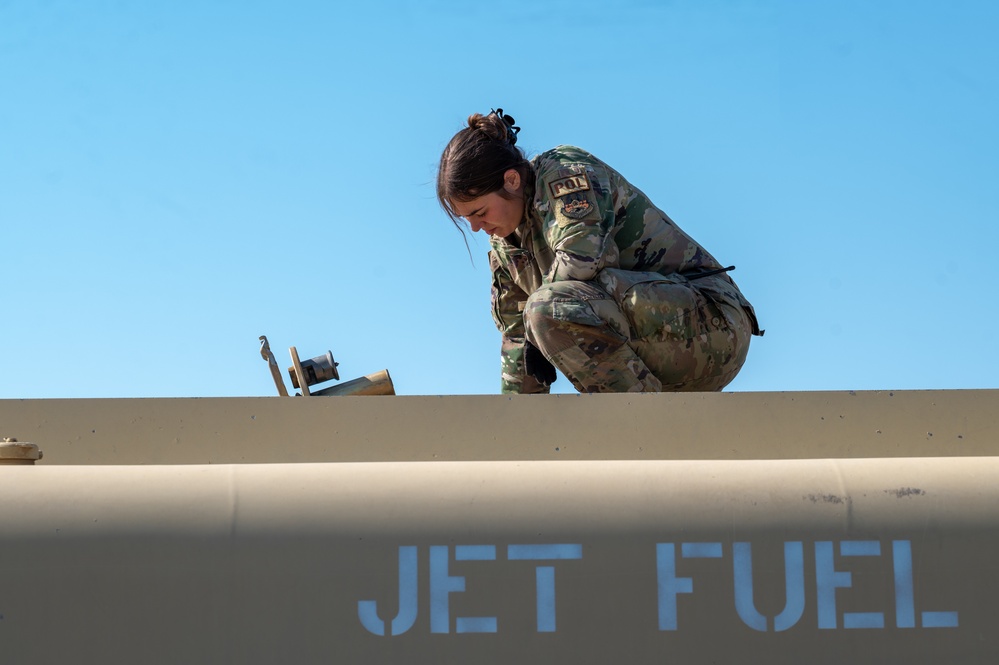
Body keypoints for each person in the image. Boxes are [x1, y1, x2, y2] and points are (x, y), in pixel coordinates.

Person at [436, 109, 762, 394]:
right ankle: (633, 421)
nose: (477, 228)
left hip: (713, 326)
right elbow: (517, 341)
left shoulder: (562, 172)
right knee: (542, 312)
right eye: (467, 220)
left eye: (480, 213)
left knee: (548, 307)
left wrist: (538, 329)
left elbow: (583, 260)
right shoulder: (505, 244)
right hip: (657, 342)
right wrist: (516, 432)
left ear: (511, 180)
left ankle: (641, 427)